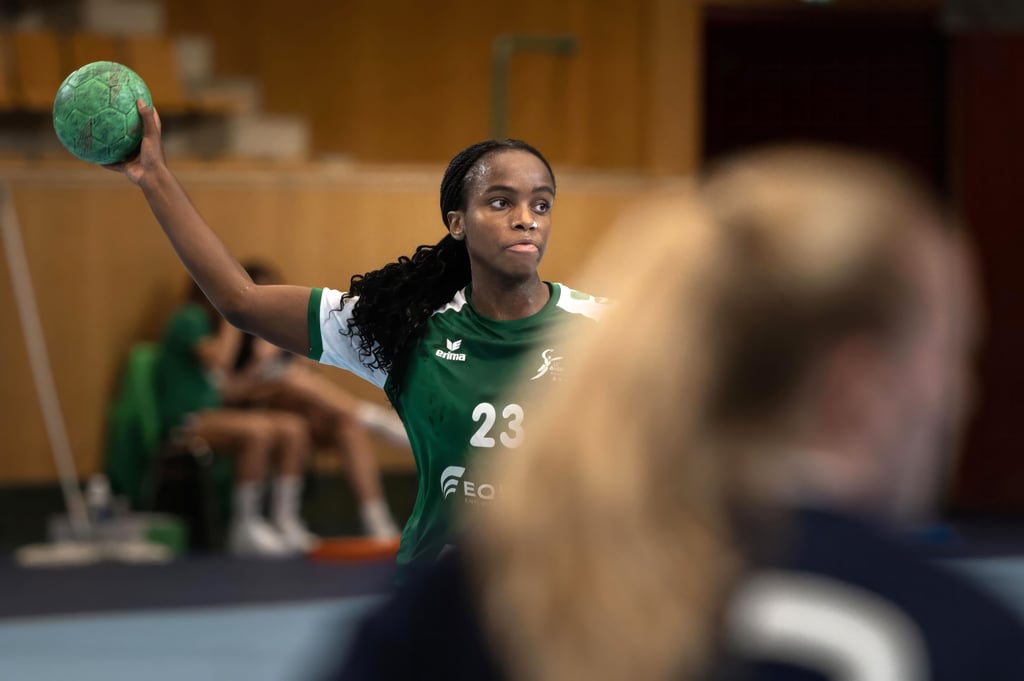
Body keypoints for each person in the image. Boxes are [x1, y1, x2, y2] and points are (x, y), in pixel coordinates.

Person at [332, 146, 1024, 681]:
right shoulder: (959, 636)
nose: (961, 395)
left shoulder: (478, 602)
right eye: (951, 356)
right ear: (857, 386)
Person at [106, 101, 605, 577]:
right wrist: (155, 177)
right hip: (441, 599)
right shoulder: (406, 327)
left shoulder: (606, 329)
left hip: (566, 602)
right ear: (457, 222)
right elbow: (242, 300)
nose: (526, 218)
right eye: (501, 202)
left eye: (541, 204)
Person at [224, 260, 406, 539]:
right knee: (292, 380)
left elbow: (308, 372)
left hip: (297, 409)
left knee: (347, 425)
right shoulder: (234, 333)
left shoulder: (278, 328)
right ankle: (376, 420)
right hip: (253, 407)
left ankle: (376, 519)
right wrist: (259, 365)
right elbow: (228, 391)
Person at [155, 281, 316, 557]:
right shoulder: (189, 318)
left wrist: (263, 368)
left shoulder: (209, 329)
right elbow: (221, 360)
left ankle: (284, 519)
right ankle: (245, 525)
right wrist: (233, 315)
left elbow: (230, 390)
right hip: (186, 419)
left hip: (213, 413)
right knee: (258, 431)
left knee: (294, 428)